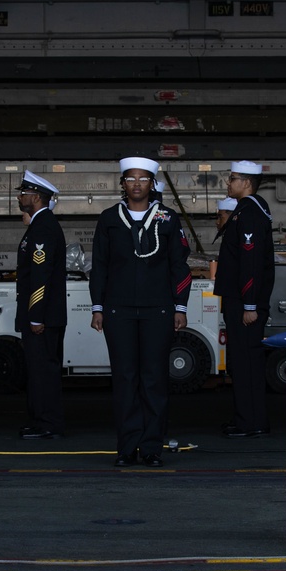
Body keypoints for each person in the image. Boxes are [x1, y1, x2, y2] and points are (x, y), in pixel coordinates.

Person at [90, 157, 192, 467]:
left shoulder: (168, 219)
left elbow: (179, 265)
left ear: (152, 184)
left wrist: (180, 305)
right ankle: (126, 447)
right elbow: (100, 266)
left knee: (154, 380)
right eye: (130, 179)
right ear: (122, 184)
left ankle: (151, 448)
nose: (136, 184)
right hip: (118, 310)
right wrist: (98, 307)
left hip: (158, 310)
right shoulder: (109, 219)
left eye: (143, 179)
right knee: (124, 379)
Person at [215, 160, 276, 439]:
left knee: (246, 362)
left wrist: (250, 305)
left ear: (247, 183)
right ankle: (248, 418)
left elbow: (250, 263)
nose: (228, 183)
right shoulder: (246, 211)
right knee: (241, 362)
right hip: (240, 301)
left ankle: (251, 422)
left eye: (232, 179)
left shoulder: (249, 213)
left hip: (244, 303)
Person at [15, 171, 67, 440]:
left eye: (23, 193)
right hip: (41, 314)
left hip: (43, 316)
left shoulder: (44, 227)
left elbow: (40, 274)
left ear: (36, 197)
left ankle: (49, 423)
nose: (19, 197)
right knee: (36, 371)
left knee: (44, 371)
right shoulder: (39, 225)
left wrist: (35, 315)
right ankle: (39, 420)